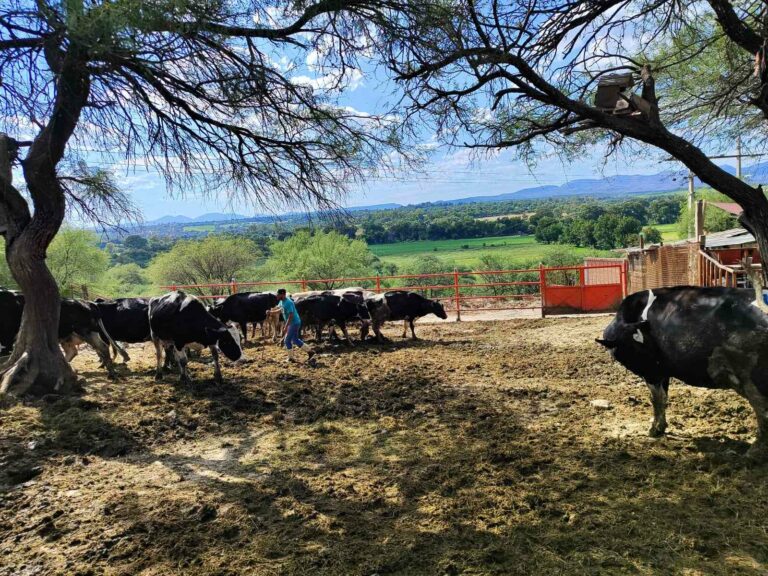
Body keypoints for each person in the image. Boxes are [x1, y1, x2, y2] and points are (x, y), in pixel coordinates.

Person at [277, 288, 315, 364]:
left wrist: (285, 326)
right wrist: (271, 312)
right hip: (293, 323)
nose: (277, 296)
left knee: (287, 340)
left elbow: (291, 315)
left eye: (278, 294)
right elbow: (280, 309)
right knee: (295, 340)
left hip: (294, 323)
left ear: (283, 294)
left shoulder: (289, 302)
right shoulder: (281, 301)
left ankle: (291, 358)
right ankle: (310, 351)